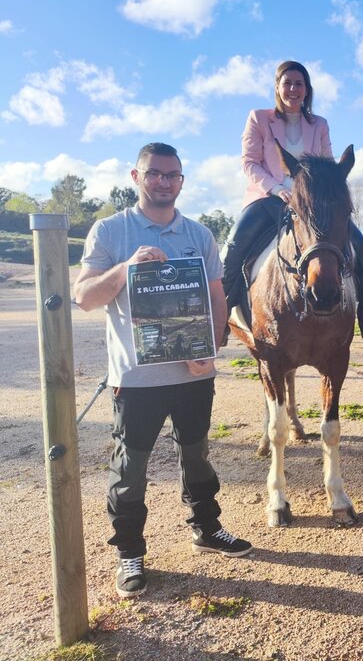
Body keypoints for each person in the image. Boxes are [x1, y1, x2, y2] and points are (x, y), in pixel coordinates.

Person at [74, 142, 252, 599]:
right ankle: (129, 552)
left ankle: (206, 528)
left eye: (172, 175)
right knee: (130, 467)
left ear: (181, 181)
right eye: (155, 173)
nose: (164, 182)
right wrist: (127, 268)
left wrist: (211, 346)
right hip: (137, 380)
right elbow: (86, 297)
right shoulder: (111, 231)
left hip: (193, 374)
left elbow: (217, 299)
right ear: (136, 177)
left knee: (197, 455)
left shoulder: (199, 235)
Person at [221, 60, 363, 350]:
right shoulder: (258, 118)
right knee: (234, 248)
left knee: (360, 246)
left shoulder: (320, 125)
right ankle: (218, 321)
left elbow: (326, 166)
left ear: (307, 90)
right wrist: (276, 188)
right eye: (287, 83)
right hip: (268, 199)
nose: (293, 88)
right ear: (277, 87)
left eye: (299, 84)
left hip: (312, 205)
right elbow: (249, 162)